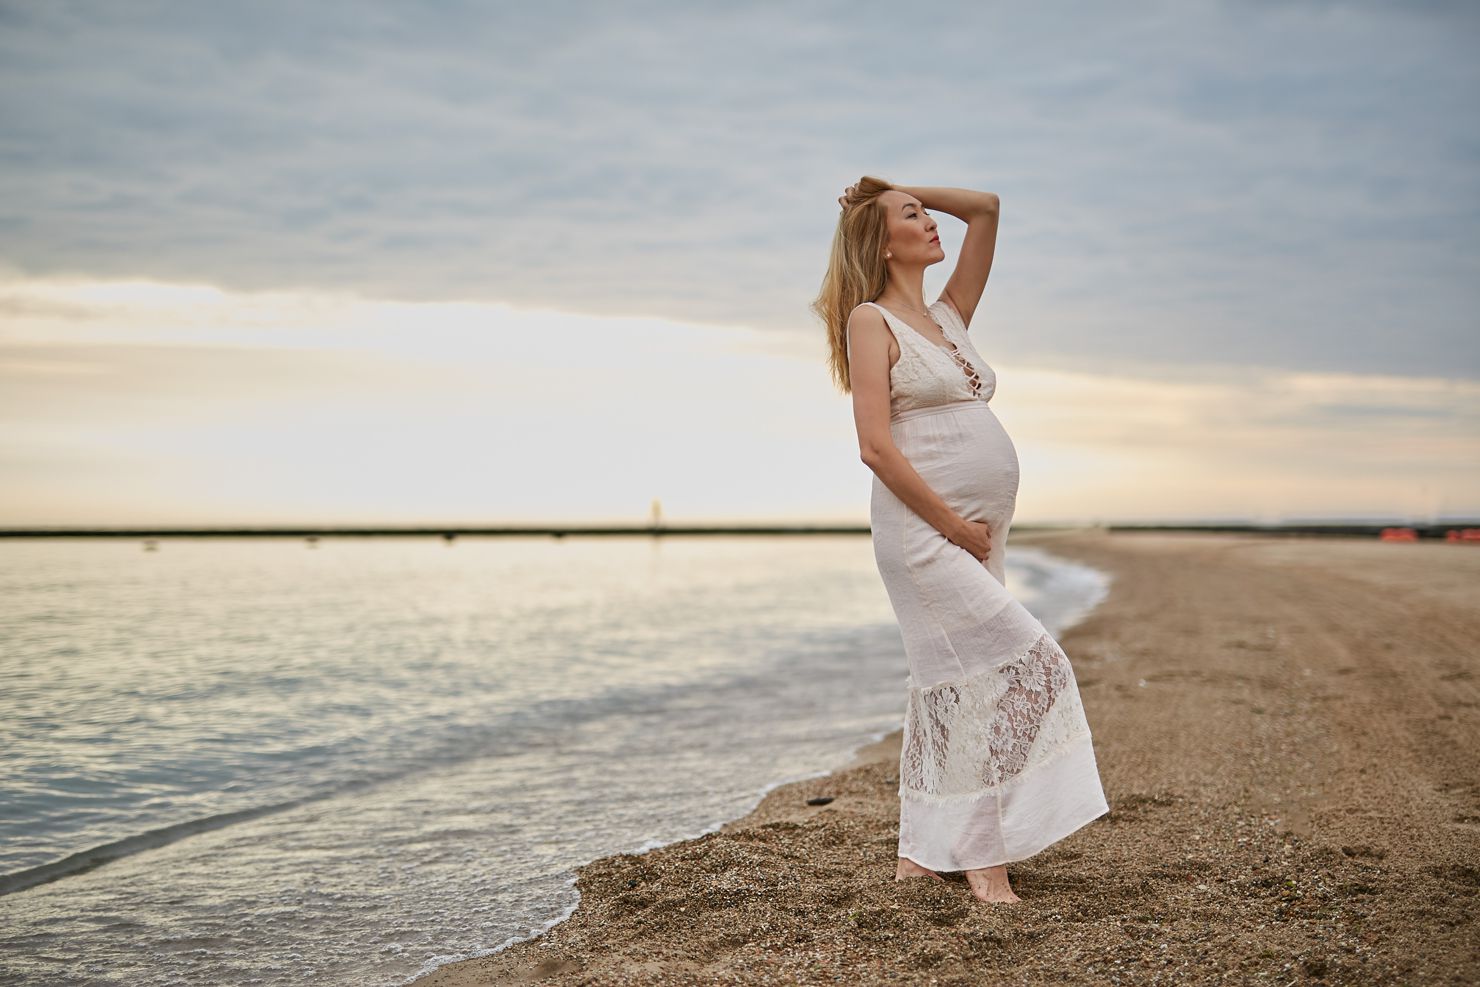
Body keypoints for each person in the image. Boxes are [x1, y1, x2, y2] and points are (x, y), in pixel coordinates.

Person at [812, 176, 1109, 904]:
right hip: (925, 538)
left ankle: (921, 853)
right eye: (912, 216)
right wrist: (951, 526)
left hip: (973, 536)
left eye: (923, 211)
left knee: (952, 692)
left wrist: (899, 186)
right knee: (1030, 666)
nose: (930, 221)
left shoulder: (950, 315)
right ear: (884, 244)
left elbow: (987, 208)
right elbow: (876, 448)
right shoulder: (870, 321)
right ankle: (985, 859)